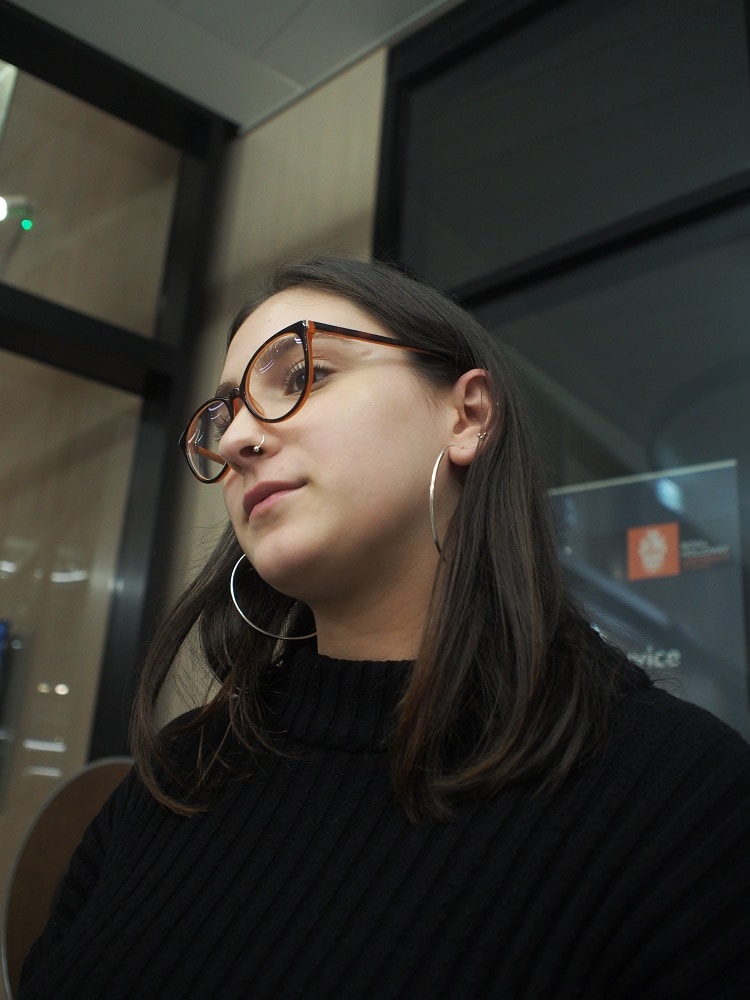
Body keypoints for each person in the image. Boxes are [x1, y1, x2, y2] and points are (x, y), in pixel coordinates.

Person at [20, 255, 750, 999]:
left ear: (467, 416)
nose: (238, 439)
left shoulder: (682, 800)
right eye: (225, 413)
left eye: (303, 374)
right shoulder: (176, 778)